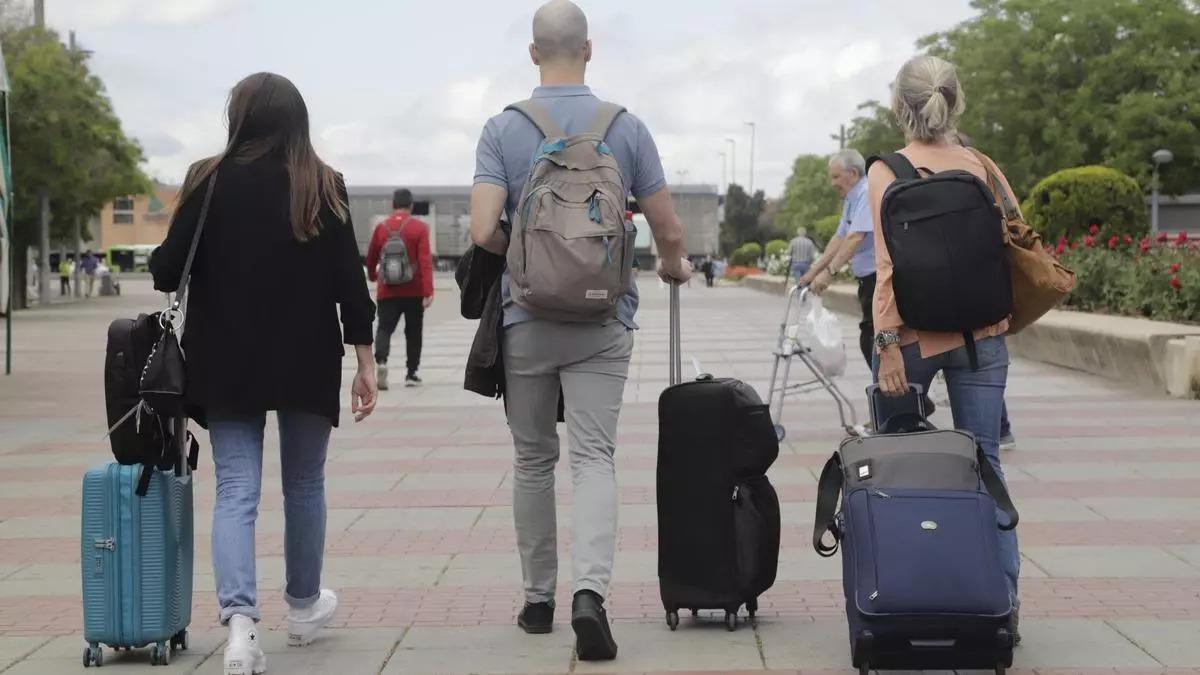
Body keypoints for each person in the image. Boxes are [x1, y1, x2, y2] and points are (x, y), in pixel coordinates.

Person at [469, 0, 691, 661]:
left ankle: (538, 599)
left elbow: (480, 229)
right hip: (602, 318)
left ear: (533, 53)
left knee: (533, 459)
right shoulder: (626, 127)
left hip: (527, 317)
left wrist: (524, 255)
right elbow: (668, 227)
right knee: (595, 457)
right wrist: (674, 265)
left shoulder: (503, 129)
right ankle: (589, 595)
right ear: (589, 49)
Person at [149, 72, 377, 675]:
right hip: (307, 355)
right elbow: (348, 280)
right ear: (298, 121)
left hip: (225, 358)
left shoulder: (207, 179)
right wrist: (365, 358)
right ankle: (302, 608)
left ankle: (241, 630)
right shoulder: (323, 184)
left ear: (239, 118)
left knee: (236, 489)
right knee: (304, 485)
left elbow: (168, 271)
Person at [868, 55, 1021, 641]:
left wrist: (886, 345)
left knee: (895, 467)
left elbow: (887, 268)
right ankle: (1003, 607)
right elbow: (1013, 237)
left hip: (912, 342)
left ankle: (906, 593)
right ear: (954, 101)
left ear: (899, 106)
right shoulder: (981, 165)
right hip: (983, 336)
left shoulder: (886, 170)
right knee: (987, 464)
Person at [799, 149, 876, 365]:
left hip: (878, 278)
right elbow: (839, 237)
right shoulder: (851, 199)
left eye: (836, 177)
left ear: (853, 173)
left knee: (873, 339)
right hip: (867, 280)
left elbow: (855, 237)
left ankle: (892, 386)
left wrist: (829, 272)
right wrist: (813, 272)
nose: (833, 183)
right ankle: (887, 385)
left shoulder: (866, 193)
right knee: (871, 338)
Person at [364, 188, 434, 390]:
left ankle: (382, 361)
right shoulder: (420, 228)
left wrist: (373, 276)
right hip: (414, 291)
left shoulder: (381, 228)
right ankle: (411, 374)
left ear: (392, 205)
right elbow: (425, 261)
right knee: (413, 332)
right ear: (411, 206)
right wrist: (428, 291)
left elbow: (371, 257)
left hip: (387, 290)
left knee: (384, 328)